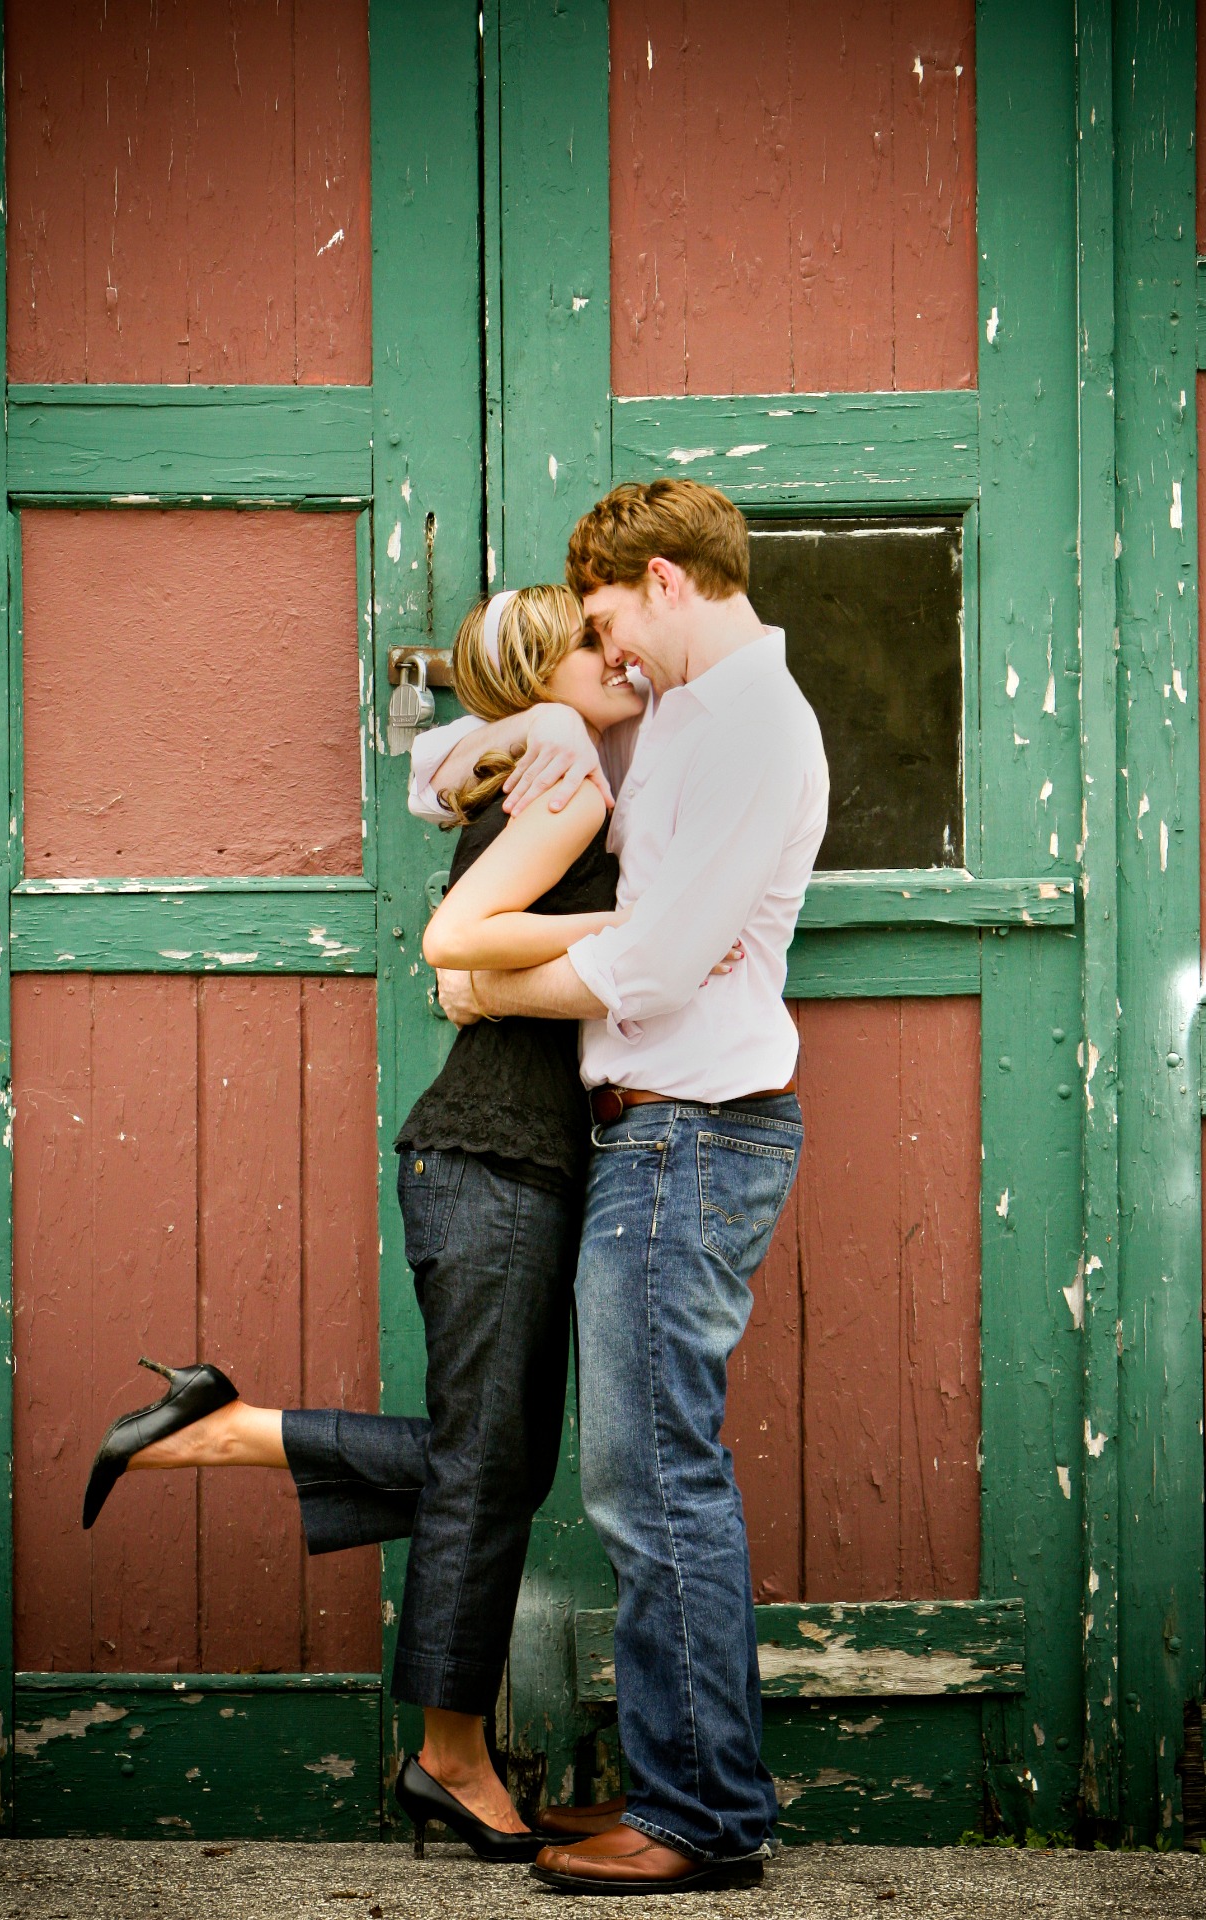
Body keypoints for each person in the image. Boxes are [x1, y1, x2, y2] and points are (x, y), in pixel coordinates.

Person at [80, 583, 649, 1863]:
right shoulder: (563, 770)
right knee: (487, 1468)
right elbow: (460, 950)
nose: (618, 655)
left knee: (496, 1465)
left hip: (509, 1162)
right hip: (492, 1156)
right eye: (588, 644)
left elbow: (474, 934)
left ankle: (227, 1428)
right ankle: (449, 1759)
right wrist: (643, 926)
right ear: (542, 675)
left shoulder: (551, 756)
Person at [410, 477, 829, 1895]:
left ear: (660, 579)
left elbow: (649, 965)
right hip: (654, 1138)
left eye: (603, 621)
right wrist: (522, 726)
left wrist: (482, 986)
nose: (608, 654)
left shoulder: (753, 726)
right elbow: (432, 762)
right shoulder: (683, 715)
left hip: (693, 1132)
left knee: (655, 1488)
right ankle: (685, 1786)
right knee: (642, 1482)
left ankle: (700, 1817)